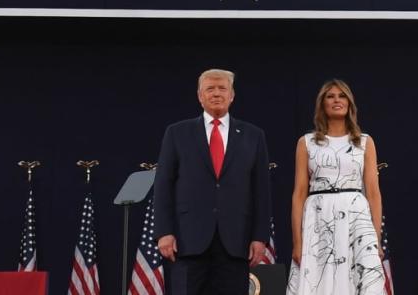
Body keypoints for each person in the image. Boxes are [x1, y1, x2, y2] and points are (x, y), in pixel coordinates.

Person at [154, 69, 271, 295]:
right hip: (187, 241)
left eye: (222, 88)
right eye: (210, 88)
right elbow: (163, 186)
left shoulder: (253, 135)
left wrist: (260, 237)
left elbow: (261, 191)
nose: (216, 93)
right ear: (200, 96)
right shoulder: (177, 133)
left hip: (236, 241)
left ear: (232, 95)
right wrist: (163, 232)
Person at [288, 80, 385, 295]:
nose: (337, 100)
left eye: (342, 96)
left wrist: (375, 240)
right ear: (322, 104)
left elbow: (373, 193)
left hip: (356, 219)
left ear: (349, 104)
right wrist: (297, 241)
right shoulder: (306, 142)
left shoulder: (365, 142)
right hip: (318, 219)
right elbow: (299, 194)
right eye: (330, 96)